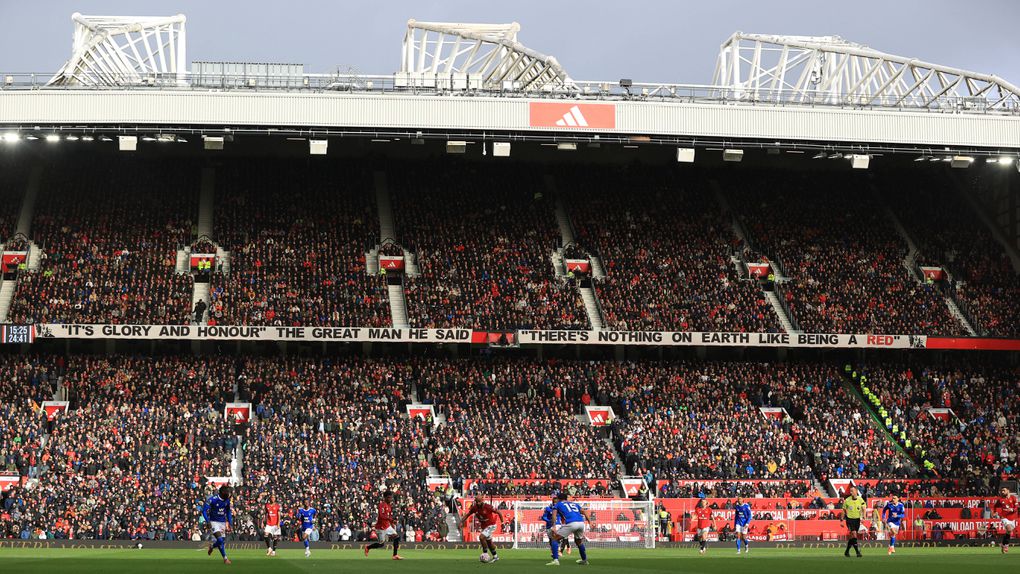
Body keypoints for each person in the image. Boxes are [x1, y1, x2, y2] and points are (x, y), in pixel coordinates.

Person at [548, 492, 592, 566]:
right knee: (579, 542)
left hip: (572, 523)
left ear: (559, 499)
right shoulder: (574, 504)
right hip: (581, 523)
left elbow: (554, 515)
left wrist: (554, 526)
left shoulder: (558, 504)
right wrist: (590, 522)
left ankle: (555, 560)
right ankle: (584, 560)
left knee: (554, 538)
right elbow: (584, 511)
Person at [461, 495, 503, 563]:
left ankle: (485, 554)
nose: (478, 503)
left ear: (482, 500)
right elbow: (467, 514)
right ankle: (495, 557)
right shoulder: (474, 508)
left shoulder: (488, 507)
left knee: (481, 537)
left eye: (479, 501)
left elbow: (499, 512)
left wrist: (502, 523)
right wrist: (461, 522)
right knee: (489, 543)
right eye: (476, 501)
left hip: (491, 525)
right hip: (484, 527)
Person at [363, 491, 403, 560]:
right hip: (380, 527)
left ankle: (395, 555)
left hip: (387, 526)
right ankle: (368, 547)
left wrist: (392, 523)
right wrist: (390, 520)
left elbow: (389, 516)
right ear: (385, 498)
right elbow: (381, 516)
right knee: (381, 544)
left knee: (397, 537)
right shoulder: (381, 505)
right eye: (389, 498)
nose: (390, 499)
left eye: (391, 498)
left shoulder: (389, 506)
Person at [201, 485, 233, 565]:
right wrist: (208, 521)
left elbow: (228, 512)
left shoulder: (227, 501)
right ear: (223, 493)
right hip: (213, 522)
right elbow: (204, 510)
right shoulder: (213, 499)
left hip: (222, 522)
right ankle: (225, 559)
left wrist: (230, 522)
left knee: (221, 542)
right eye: (228, 492)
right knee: (220, 540)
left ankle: (212, 546)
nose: (229, 494)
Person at [540, 497, 571, 561]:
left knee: (562, 536)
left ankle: (561, 550)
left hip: (557, 524)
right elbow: (543, 517)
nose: (556, 503)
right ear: (553, 502)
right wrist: (549, 520)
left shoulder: (560, 509)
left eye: (557, 502)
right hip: (549, 526)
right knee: (551, 540)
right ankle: (555, 550)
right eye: (554, 502)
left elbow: (564, 516)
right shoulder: (548, 509)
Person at [842, 486, 866, 558]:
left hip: (857, 519)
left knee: (852, 537)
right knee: (854, 534)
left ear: (856, 491)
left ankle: (847, 551)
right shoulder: (847, 500)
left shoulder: (860, 499)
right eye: (850, 491)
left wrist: (864, 516)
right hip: (849, 519)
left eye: (852, 491)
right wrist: (841, 520)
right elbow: (843, 510)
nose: (851, 492)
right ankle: (857, 552)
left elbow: (864, 507)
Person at [992, 487, 1017, 553]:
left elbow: (1016, 507)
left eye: (1004, 490)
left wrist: (1012, 509)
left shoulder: (1013, 498)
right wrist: (994, 512)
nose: (1002, 492)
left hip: (1012, 518)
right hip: (1004, 517)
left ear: (1008, 491)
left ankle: (1003, 544)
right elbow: (995, 506)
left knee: (1009, 532)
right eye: (1002, 491)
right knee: (1009, 529)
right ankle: (1006, 545)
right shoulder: (1000, 500)